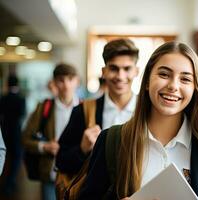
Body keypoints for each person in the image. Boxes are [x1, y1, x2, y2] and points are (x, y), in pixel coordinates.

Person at [78, 41, 198, 200]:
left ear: (195, 89)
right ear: (146, 82)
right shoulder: (111, 141)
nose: (173, 86)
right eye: (164, 74)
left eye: (185, 79)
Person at [56, 38, 139, 175]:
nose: (120, 76)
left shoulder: (149, 111)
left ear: (136, 71)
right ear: (104, 71)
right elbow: (61, 161)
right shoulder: (83, 111)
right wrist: (82, 149)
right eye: (113, 68)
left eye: (127, 68)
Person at [22, 63, 79, 200]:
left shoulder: (86, 108)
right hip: (51, 173)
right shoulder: (44, 108)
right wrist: (45, 146)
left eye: (70, 79)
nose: (66, 85)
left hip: (78, 175)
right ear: (54, 83)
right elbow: (25, 139)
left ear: (77, 81)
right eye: (61, 80)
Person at [0, 75, 26, 195]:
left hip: (4, 132)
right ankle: (10, 182)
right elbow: (22, 115)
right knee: (16, 158)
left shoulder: (3, 98)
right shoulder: (21, 99)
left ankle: (4, 181)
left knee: (3, 156)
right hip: (16, 133)